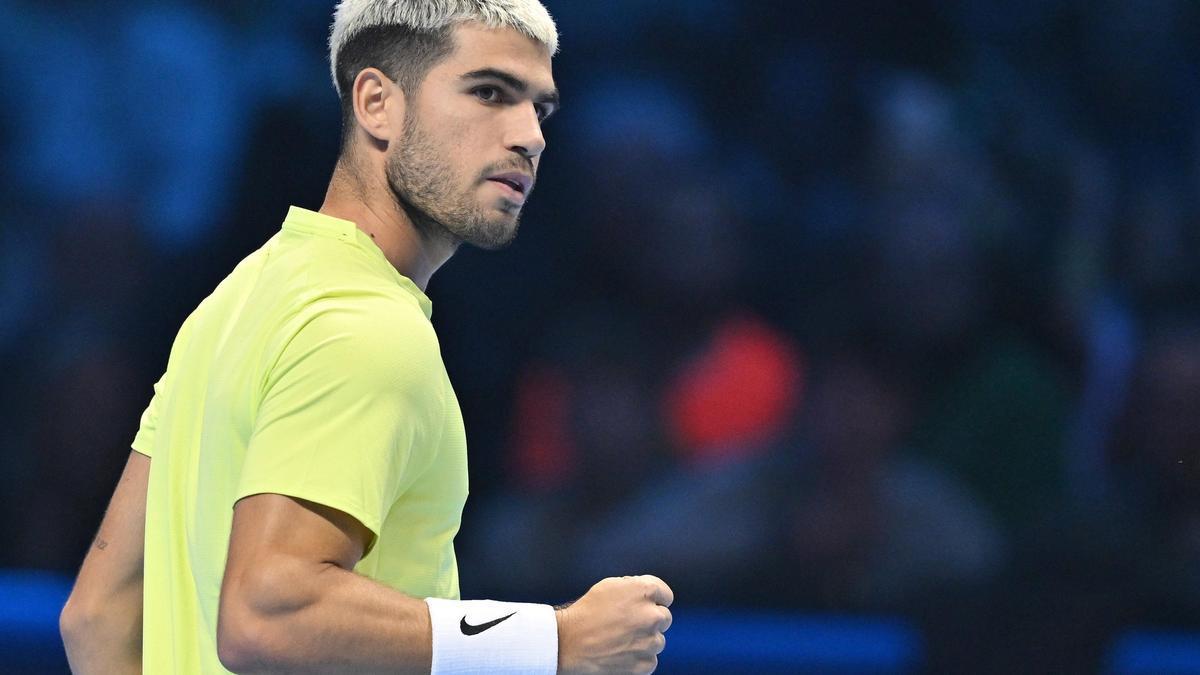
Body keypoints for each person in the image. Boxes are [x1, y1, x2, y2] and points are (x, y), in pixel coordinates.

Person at [58, 1, 674, 673]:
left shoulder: (236, 301)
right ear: (377, 103)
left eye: (540, 109)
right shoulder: (368, 328)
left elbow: (98, 615)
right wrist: (551, 640)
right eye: (490, 93)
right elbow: (269, 611)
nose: (529, 136)